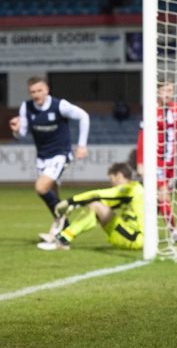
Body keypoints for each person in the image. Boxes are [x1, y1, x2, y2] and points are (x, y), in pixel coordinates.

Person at [9, 75, 90, 237]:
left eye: (40, 90)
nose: (36, 94)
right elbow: (22, 133)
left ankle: (63, 220)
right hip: (42, 157)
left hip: (60, 155)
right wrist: (16, 129)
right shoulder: (26, 107)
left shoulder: (60, 105)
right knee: (53, 194)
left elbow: (84, 116)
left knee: (41, 187)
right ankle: (63, 232)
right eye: (33, 91)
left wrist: (82, 145)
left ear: (47, 90)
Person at [37, 162, 144, 251]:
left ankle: (62, 240)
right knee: (96, 205)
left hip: (134, 238)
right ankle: (62, 238)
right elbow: (104, 202)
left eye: (112, 179)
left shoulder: (129, 189)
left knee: (96, 206)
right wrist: (75, 206)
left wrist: (69, 202)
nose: (112, 183)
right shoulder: (136, 189)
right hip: (138, 237)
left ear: (119, 176)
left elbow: (97, 194)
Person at [136, 78, 177, 243]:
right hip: (155, 161)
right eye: (165, 90)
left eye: (171, 90)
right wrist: (140, 162)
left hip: (170, 162)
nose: (168, 94)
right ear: (158, 91)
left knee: (160, 200)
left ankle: (145, 228)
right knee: (163, 194)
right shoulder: (152, 110)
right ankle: (174, 232)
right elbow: (142, 136)